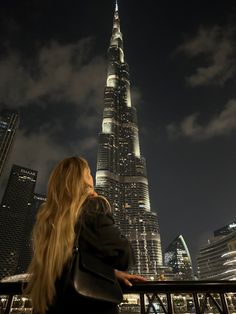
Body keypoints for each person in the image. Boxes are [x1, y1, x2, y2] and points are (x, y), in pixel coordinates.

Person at [23, 156, 146, 314]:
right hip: (90, 306)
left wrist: (110, 273)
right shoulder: (92, 210)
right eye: (88, 173)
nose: (92, 177)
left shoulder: (47, 220)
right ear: (82, 181)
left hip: (51, 305)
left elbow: (67, 261)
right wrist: (100, 207)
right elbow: (125, 256)